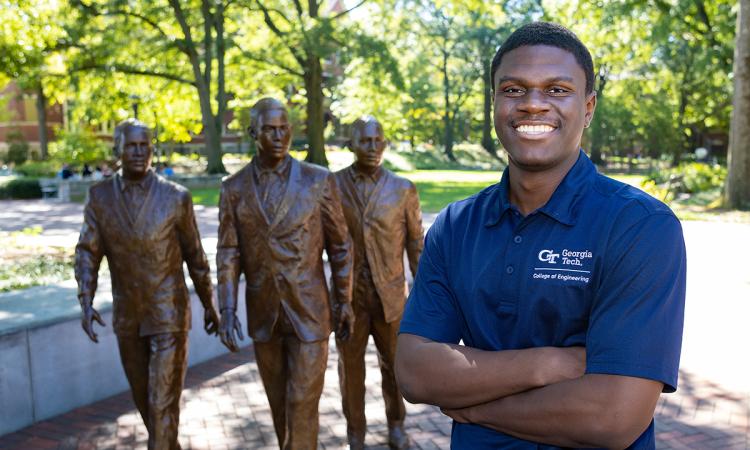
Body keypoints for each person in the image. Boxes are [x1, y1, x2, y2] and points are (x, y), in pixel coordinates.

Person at [395, 22, 686, 449]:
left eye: (556, 90)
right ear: (494, 103)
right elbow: (414, 371)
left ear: (588, 108)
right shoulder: (456, 226)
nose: (533, 104)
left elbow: (614, 416)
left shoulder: (640, 226)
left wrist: (476, 408)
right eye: (513, 90)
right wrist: (548, 363)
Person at [216, 97, 355, 450]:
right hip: (264, 312)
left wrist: (345, 301)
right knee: (279, 405)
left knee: (301, 404)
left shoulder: (318, 180)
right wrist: (228, 308)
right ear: (252, 133)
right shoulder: (234, 189)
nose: (278, 136)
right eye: (269, 129)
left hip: (310, 311)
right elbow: (229, 252)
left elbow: (340, 247)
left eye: (284, 129)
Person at [74, 118, 220, 450]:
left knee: (162, 404)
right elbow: (87, 252)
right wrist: (86, 297)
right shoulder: (100, 197)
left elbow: (195, 256)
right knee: (147, 406)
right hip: (128, 317)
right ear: (118, 150)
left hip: (169, 315)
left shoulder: (175, 197)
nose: (140, 152)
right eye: (132, 146)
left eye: (145, 145)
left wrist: (209, 304)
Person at [334, 116, 423, 450]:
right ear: (350, 144)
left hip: (391, 298)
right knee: (350, 372)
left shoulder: (402, 189)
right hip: (348, 300)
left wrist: (423, 292)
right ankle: (355, 433)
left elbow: (416, 244)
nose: (372, 148)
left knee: (394, 367)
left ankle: (396, 424)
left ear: (384, 143)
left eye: (377, 141)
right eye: (364, 141)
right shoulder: (333, 186)